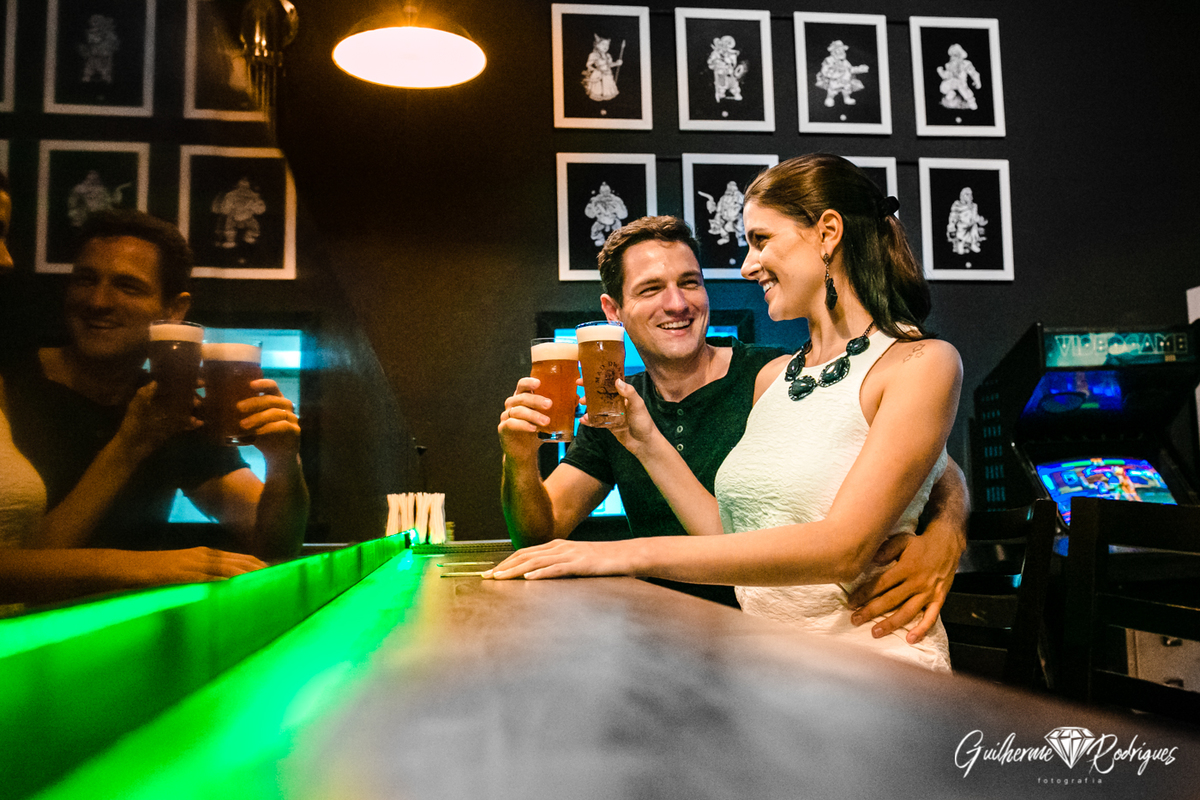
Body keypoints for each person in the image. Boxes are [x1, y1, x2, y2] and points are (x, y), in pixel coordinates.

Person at [490, 156, 962, 671]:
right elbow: (731, 539)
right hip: (758, 664)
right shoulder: (782, 378)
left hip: (866, 670)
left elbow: (854, 536)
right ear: (615, 310)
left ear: (828, 233)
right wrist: (642, 438)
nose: (746, 265)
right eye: (650, 289)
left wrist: (947, 529)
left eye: (761, 240)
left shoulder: (918, 362)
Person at [0, 178, 266, 616]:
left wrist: (283, 459)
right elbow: (16, 574)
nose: (98, 301)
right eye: (85, 280)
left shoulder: (165, 403)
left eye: (127, 286)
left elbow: (268, 533)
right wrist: (145, 566)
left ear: (174, 312)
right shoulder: (10, 382)